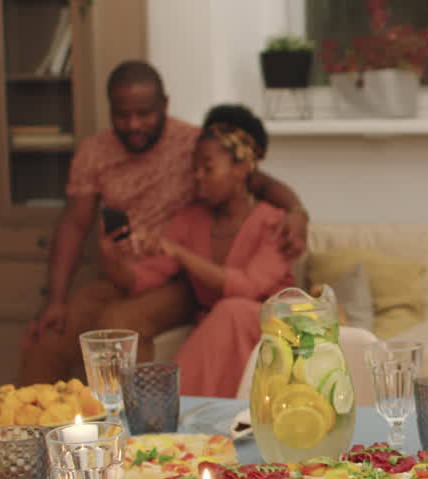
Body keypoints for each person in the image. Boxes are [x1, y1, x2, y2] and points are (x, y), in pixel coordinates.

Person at [18, 61, 308, 385]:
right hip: (135, 271)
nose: (133, 124)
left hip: (181, 282)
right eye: (122, 114)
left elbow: (255, 180)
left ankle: (133, 423)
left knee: (120, 323)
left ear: (164, 106)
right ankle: (30, 425)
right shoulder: (95, 153)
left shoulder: (196, 143)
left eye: (144, 114)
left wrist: (297, 211)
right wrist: (60, 297)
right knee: (50, 335)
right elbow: (74, 223)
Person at [103, 106, 293, 397]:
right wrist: (113, 256)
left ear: (241, 169)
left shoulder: (274, 223)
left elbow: (246, 287)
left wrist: (181, 254)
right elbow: (143, 279)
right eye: (194, 169)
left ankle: (170, 404)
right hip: (220, 331)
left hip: (274, 329)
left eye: (208, 168)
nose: (198, 177)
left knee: (232, 310)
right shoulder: (190, 219)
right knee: (226, 314)